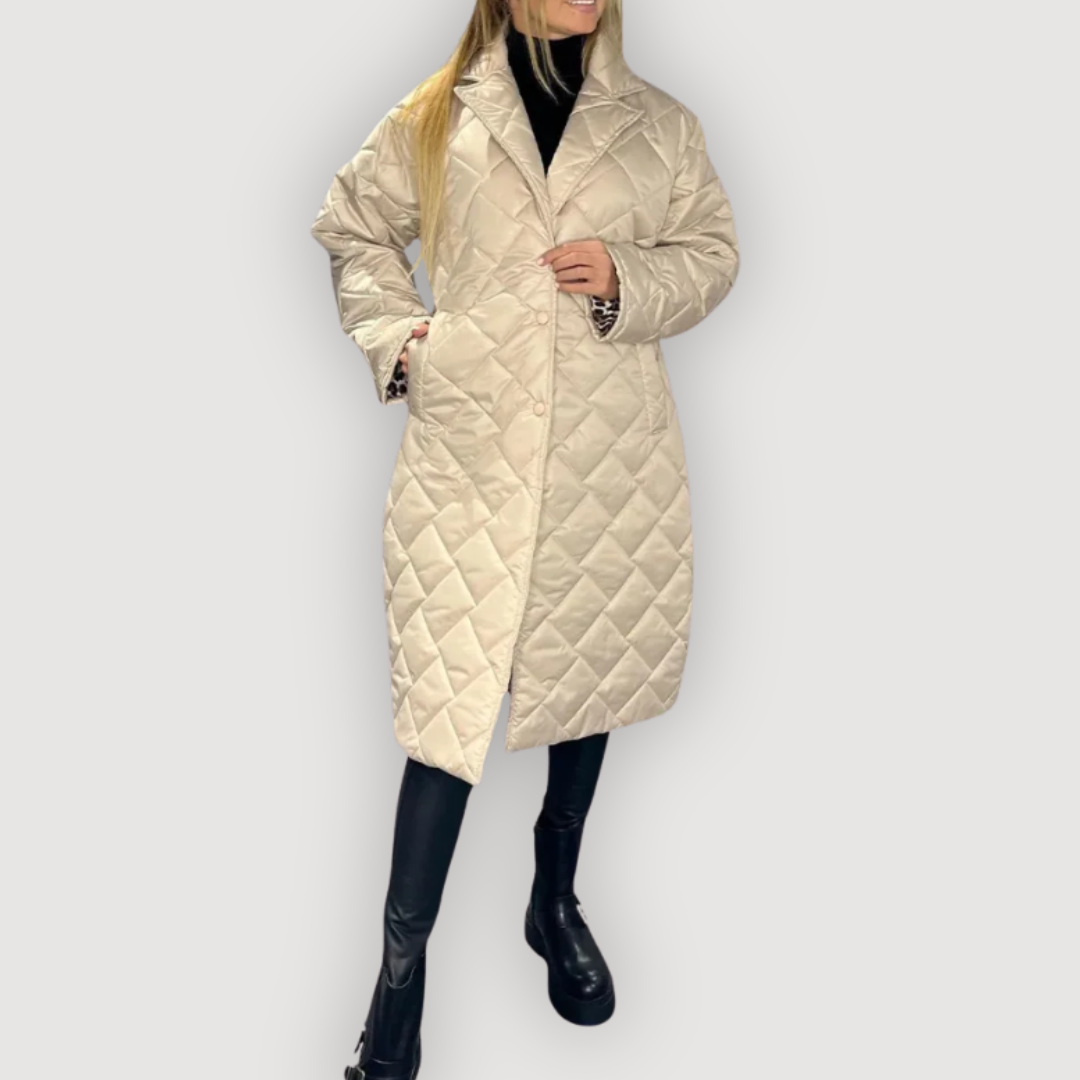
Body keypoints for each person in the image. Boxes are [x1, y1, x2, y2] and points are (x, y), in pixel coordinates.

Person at [310, 1, 739, 1075]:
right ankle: (396, 990)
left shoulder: (661, 125)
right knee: (447, 716)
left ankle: (554, 899)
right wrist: (401, 342)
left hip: (607, 458)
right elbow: (353, 226)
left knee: (584, 670)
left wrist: (632, 277)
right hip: (468, 460)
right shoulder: (434, 118)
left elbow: (715, 253)